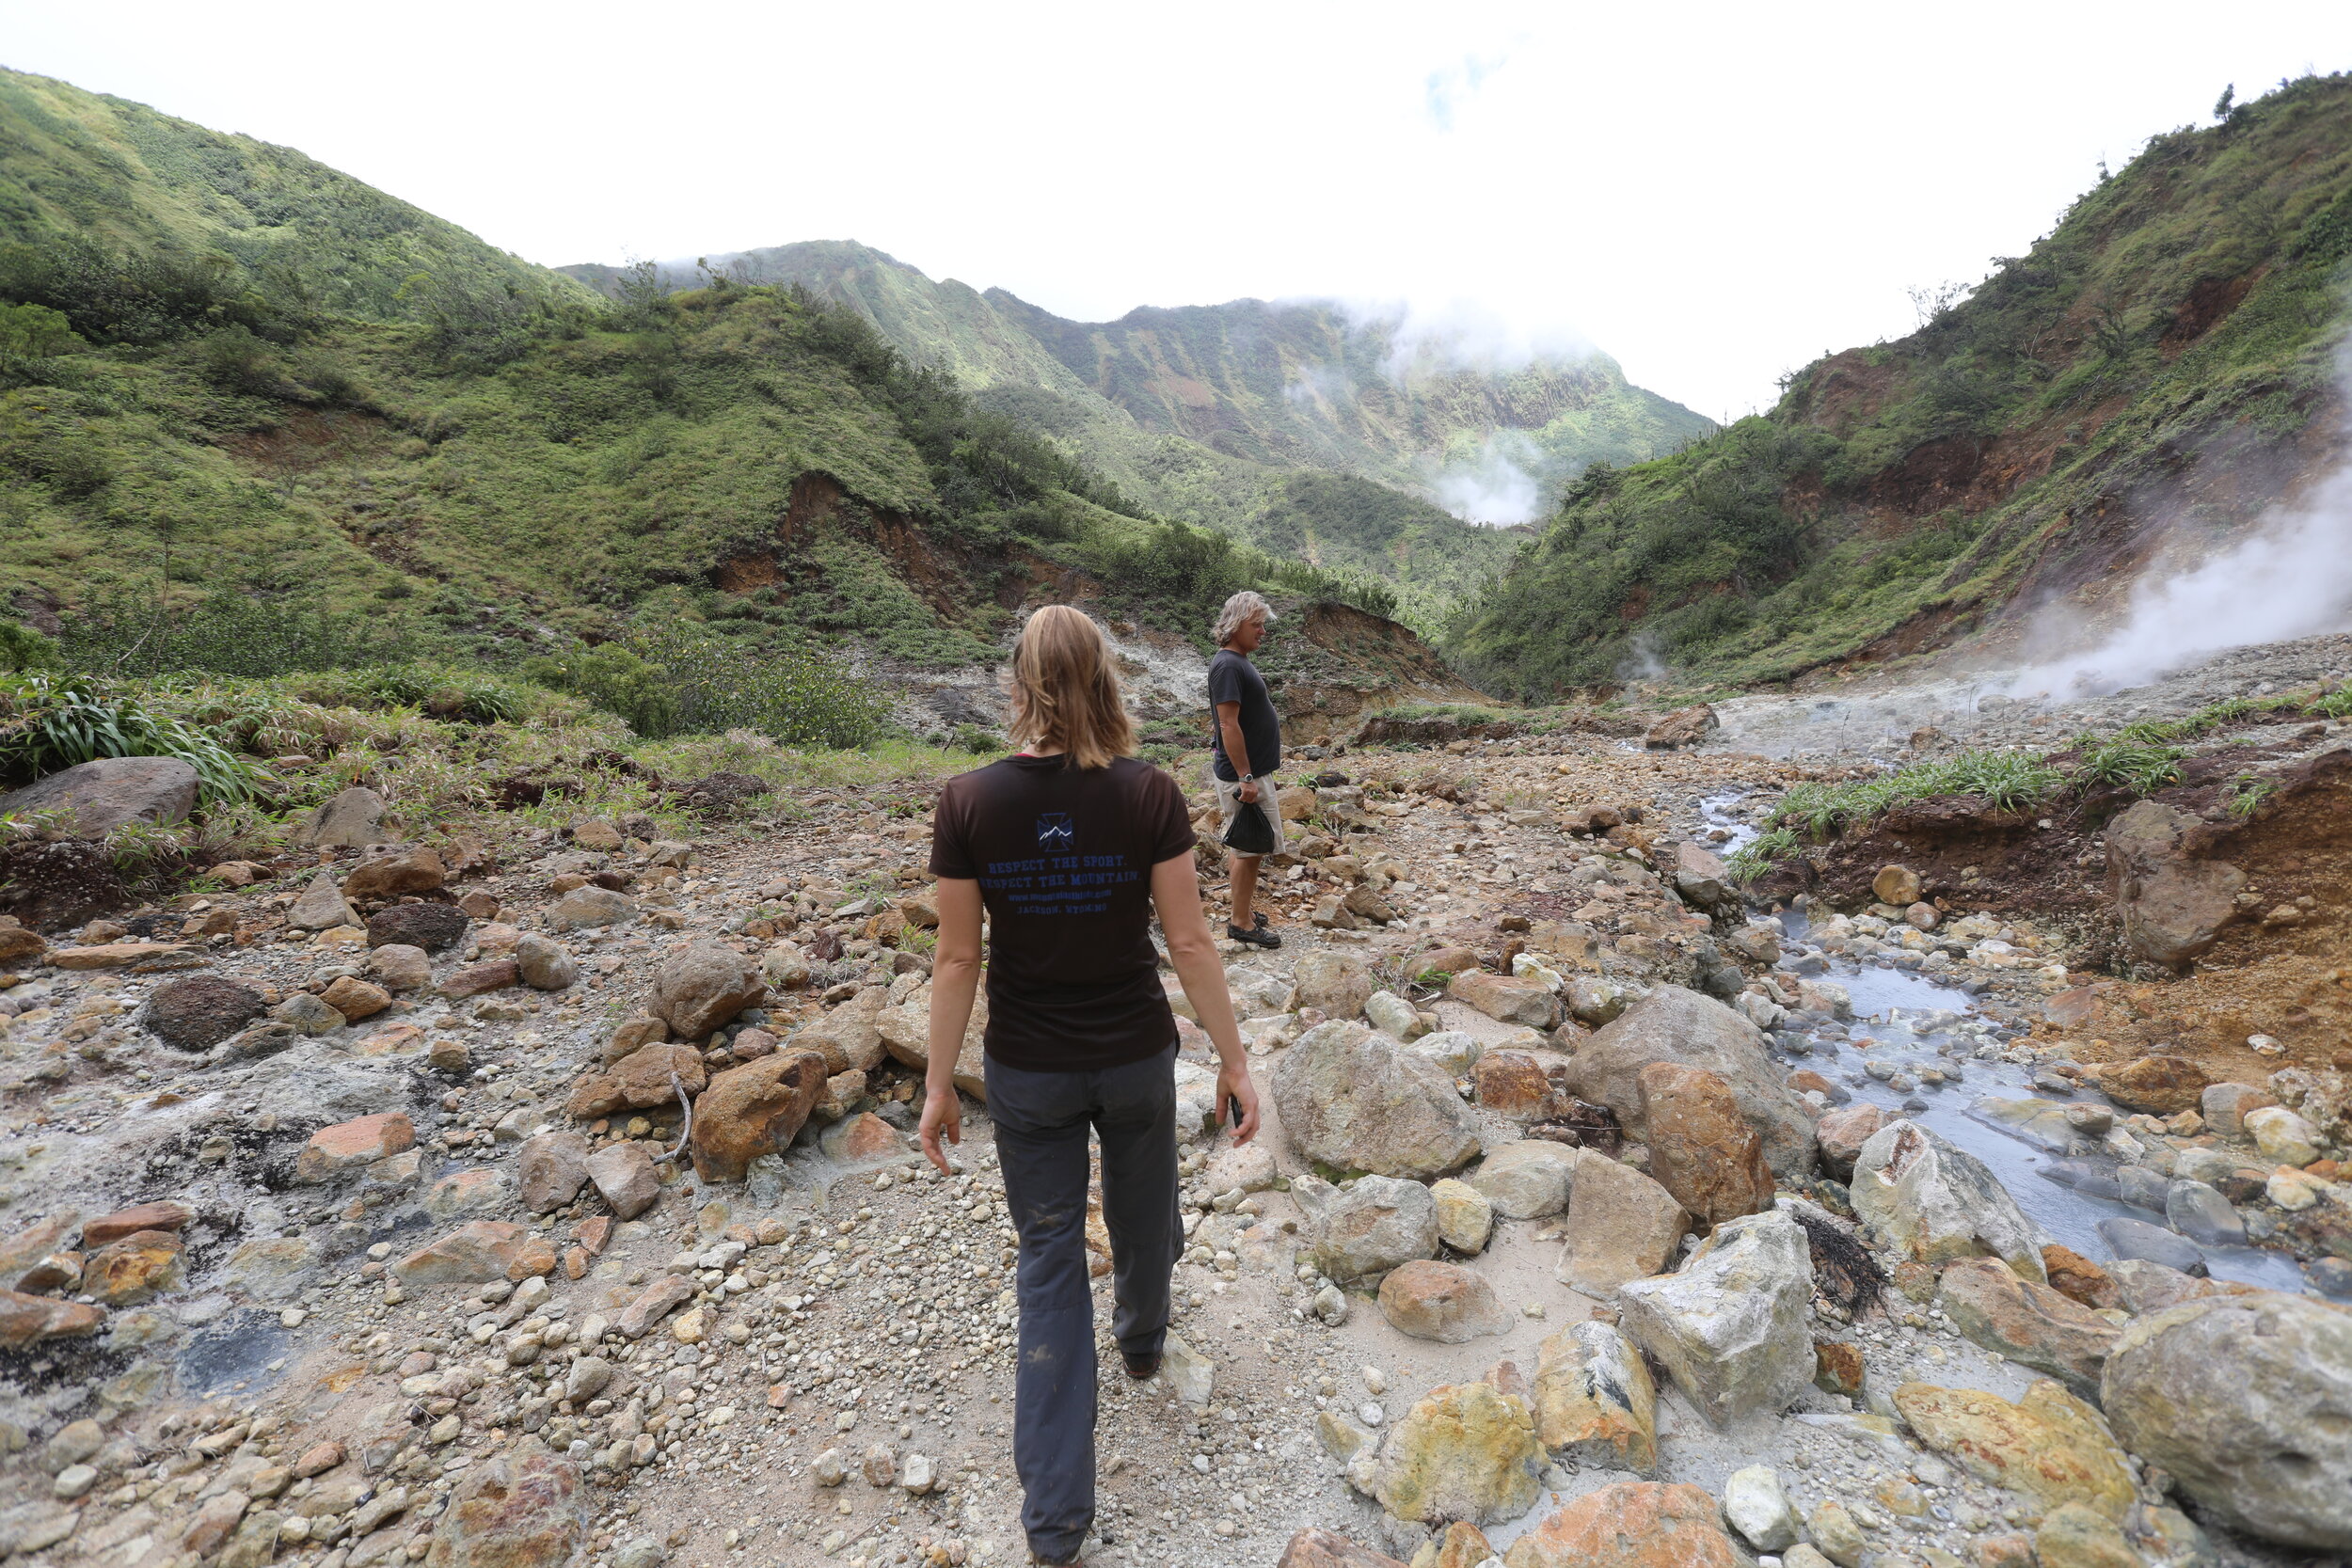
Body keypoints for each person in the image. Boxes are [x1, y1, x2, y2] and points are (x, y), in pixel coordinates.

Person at [918, 604, 1260, 1568]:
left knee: (1049, 1259)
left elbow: (955, 959)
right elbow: (1189, 940)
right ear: (1107, 678)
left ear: (1018, 684)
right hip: (1135, 1054)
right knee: (1144, 1202)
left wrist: (938, 1083)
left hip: (1027, 1067)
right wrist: (1234, 1060)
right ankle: (1144, 1338)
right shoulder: (1148, 792)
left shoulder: (968, 800)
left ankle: (1056, 1517)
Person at [1206, 589, 1283, 948]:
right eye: (1257, 625)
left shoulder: (1236, 661)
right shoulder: (1227, 665)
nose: (1262, 632)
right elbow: (1228, 725)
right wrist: (1246, 777)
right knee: (1249, 848)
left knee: (1249, 846)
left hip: (1251, 771)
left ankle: (1244, 913)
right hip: (1244, 775)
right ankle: (1241, 922)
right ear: (1236, 625)